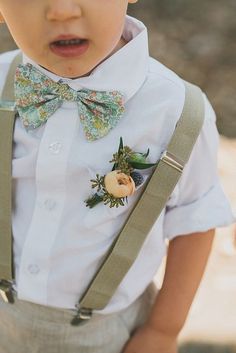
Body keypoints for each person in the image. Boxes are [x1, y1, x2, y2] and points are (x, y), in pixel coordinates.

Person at [0, 1, 234, 353]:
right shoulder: (3, 81)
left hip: (110, 333)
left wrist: (162, 330)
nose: (62, 10)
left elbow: (193, 222)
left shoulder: (177, 112)